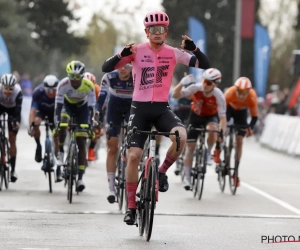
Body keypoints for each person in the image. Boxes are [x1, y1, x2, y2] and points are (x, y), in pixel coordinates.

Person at [102, 11, 211, 225]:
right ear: (147, 32)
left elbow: (205, 65)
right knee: (133, 156)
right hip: (139, 109)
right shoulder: (135, 52)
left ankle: (161, 172)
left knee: (180, 136)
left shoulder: (173, 53)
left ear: (166, 32)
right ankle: (131, 207)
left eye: (161, 29)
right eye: (153, 30)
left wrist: (194, 49)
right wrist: (120, 55)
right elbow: (107, 68)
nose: (158, 33)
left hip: (162, 108)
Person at [172, 69, 226, 190]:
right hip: (195, 115)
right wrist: (181, 83)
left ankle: (208, 153)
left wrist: (221, 133)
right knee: (190, 148)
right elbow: (175, 95)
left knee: (213, 129)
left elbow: (223, 118)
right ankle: (187, 178)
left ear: (215, 84)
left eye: (209, 83)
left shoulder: (219, 95)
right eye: (204, 81)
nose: (205, 85)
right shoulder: (196, 88)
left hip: (211, 117)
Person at [54, 61, 96, 192]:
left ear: (83, 76)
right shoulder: (63, 85)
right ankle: (61, 151)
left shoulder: (89, 85)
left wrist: (90, 123)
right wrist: (57, 121)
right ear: (68, 75)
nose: (75, 80)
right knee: (62, 121)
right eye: (72, 76)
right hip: (67, 105)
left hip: (82, 109)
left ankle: (80, 178)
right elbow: (58, 106)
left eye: (78, 77)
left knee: (82, 141)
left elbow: (91, 107)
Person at [96, 64, 133, 203]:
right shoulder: (110, 77)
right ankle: (112, 189)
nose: (122, 69)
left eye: (126, 66)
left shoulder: (138, 76)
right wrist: (97, 114)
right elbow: (101, 99)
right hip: (114, 111)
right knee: (112, 148)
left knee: (132, 146)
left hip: (131, 109)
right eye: (119, 66)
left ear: (132, 67)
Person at [217, 77, 258, 187]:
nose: (241, 96)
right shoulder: (229, 93)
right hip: (229, 110)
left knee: (239, 142)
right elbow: (221, 112)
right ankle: (219, 148)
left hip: (241, 113)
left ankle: (235, 172)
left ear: (248, 91)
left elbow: (254, 117)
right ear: (236, 90)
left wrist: (250, 128)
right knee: (223, 129)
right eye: (239, 92)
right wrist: (221, 128)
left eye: (244, 93)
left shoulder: (252, 97)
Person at [28, 75, 62, 181]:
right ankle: (38, 146)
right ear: (44, 88)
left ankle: (59, 169)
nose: (51, 93)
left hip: (54, 113)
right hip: (41, 111)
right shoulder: (38, 92)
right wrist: (31, 126)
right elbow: (32, 111)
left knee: (57, 136)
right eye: (49, 90)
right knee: (36, 122)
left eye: (54, 90)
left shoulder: (61, 91)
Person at [0, 74, 22, 182]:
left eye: (11, 89)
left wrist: (15, 121)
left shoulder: (18, 92)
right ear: (2, 86)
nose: (8, 91)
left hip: (13, 111)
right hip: (1, 107)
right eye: (6, 88)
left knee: (12, 139)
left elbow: (18, 112)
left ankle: (13, 170)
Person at [83, 72, 104, 161]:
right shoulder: (79, 88)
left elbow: (101, 107)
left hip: (94, 110)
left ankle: (91, 149)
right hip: (82, 109)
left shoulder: (97, 89)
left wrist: (100, 124)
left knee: (96, 131)